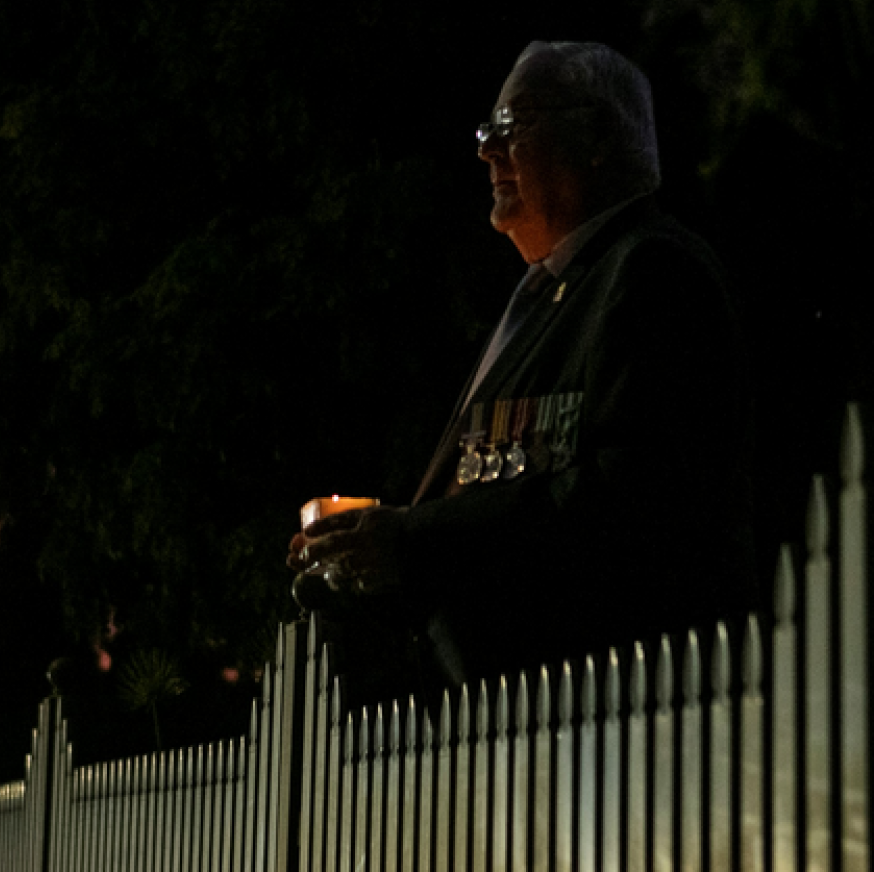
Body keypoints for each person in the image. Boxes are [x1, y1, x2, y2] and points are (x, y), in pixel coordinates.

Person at [289, 41, 756, 689]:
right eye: (487, 130)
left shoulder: (651, 272)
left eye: (514, 126)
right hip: (503, 725)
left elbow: (634, 499)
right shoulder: (543, 299)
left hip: (603, 711)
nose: (486, 150)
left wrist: (414, 539)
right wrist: (368, 550)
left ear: (594, 135)